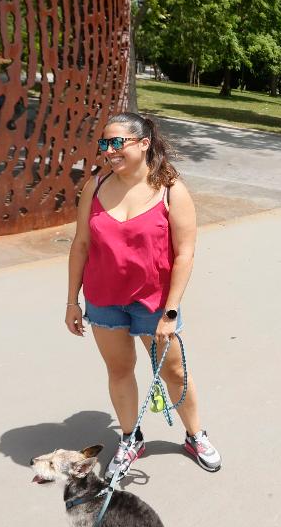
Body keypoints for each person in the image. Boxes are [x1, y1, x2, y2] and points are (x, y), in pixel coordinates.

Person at [64, 112, 222, 477]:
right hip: (104, 300)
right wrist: (72, 300)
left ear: (144, 143)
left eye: (117, 142)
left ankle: (195, 434)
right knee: (119, 370)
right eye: (105, 143)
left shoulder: (170, 189)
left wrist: (170, 312)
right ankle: (130, 437)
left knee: (174, 372)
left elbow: (185, 254)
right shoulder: (96, 185)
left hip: (154, 303)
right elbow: (81, 244)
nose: (109, 151)